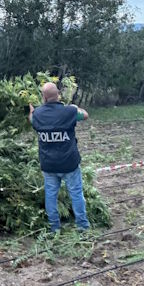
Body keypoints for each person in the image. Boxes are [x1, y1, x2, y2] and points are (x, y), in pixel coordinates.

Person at [29, 82, 91, 233]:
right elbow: (85, 115)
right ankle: (82, 226)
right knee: (76, 194)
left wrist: (31, 111)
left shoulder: (37, 114)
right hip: (69, 163)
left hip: (49, 164)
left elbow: (31, 119)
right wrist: (76, 107)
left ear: (43, 97)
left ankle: (54, 228)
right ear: (58, 95)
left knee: (50, 196)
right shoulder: (68, 111)